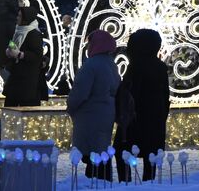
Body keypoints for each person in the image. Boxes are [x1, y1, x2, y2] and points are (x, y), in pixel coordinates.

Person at [115, 29, 170, 182]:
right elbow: (165, 96)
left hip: (135, 120)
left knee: (122, 151)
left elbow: (130, 94)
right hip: (155, 120)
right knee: (150, 157)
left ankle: (125, 183)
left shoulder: (136, 67)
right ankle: (149, 184)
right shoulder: (160, 67)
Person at [68, 30, 121, 181]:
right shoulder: (111, 64)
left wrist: (71, 107)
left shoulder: (91, 65)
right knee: (101, 148)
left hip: (90, 115)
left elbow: (79, 92)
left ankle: (94, 181)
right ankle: (103, 180)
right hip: (106, 114)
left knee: (90, 151)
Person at [2, 4, 45, 108]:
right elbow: (14, 44)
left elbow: (37, 55)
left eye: (20, 16)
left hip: (28, 80)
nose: (17, 18)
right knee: (10, 107)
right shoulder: (18, 30)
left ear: (26, 18)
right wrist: (10, 49)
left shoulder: (34, 34)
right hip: (17, 76)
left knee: (25, 109)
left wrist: (21, 54)